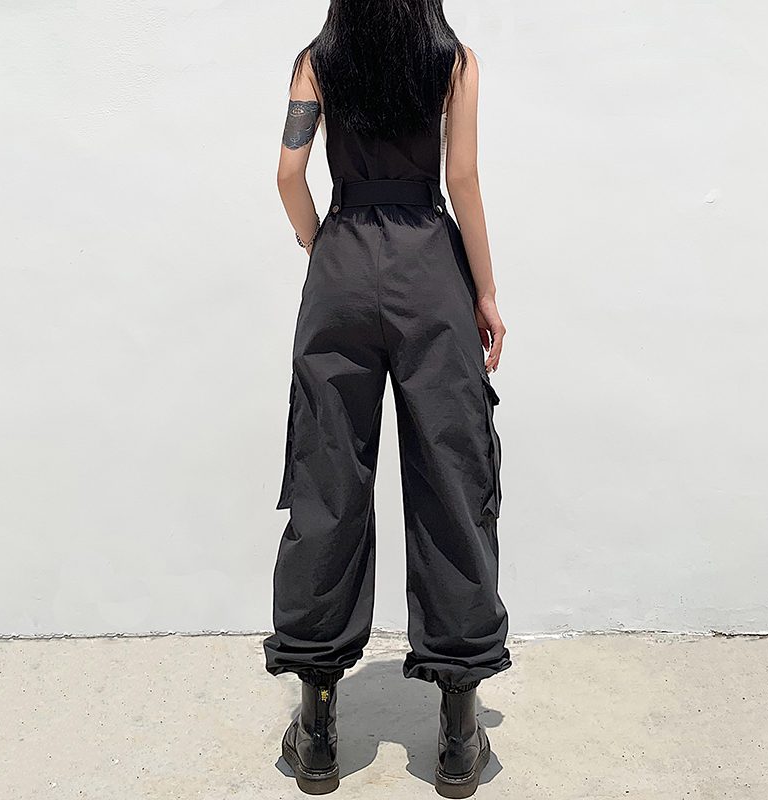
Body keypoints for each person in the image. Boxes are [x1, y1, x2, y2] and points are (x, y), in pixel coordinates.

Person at [261, 1, 512, 795]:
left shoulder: (317, 60)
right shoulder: (454, 61)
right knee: (451, 475)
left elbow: (289, 174)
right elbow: (461, 179)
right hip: (429, 267)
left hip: (341, 265)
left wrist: (321, 244)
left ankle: (318, 728)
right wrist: (485, 291)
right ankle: (458, 732)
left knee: (328, 477)